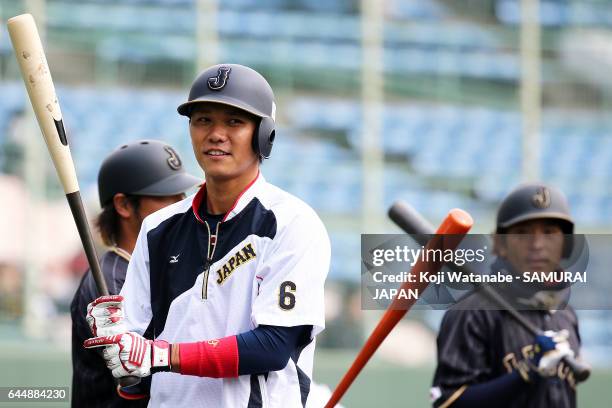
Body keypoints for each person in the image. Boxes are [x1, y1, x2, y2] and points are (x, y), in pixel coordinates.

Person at [83, 64, 331, 407]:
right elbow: (136, 374)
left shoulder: (292, 223)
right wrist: (120, 350)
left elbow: (274, 346)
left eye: (234, 121)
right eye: (203, 120)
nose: (216, 134)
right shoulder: (158, 228)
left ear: (264, 134)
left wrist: (161, 356)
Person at [430, 183, 586, 408]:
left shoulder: (566, 314)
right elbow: (448, 403)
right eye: (522, 233)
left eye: (549, 232)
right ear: (500, 244)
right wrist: (525, 373)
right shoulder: (472, 313)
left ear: (566, 245)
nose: (537, 244)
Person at [71, 139, 201, 407]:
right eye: (167, 195)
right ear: (124, 206)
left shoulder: (153, 271)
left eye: (182, 194)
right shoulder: (109, 284)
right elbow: (146, 378)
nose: (181, 205)